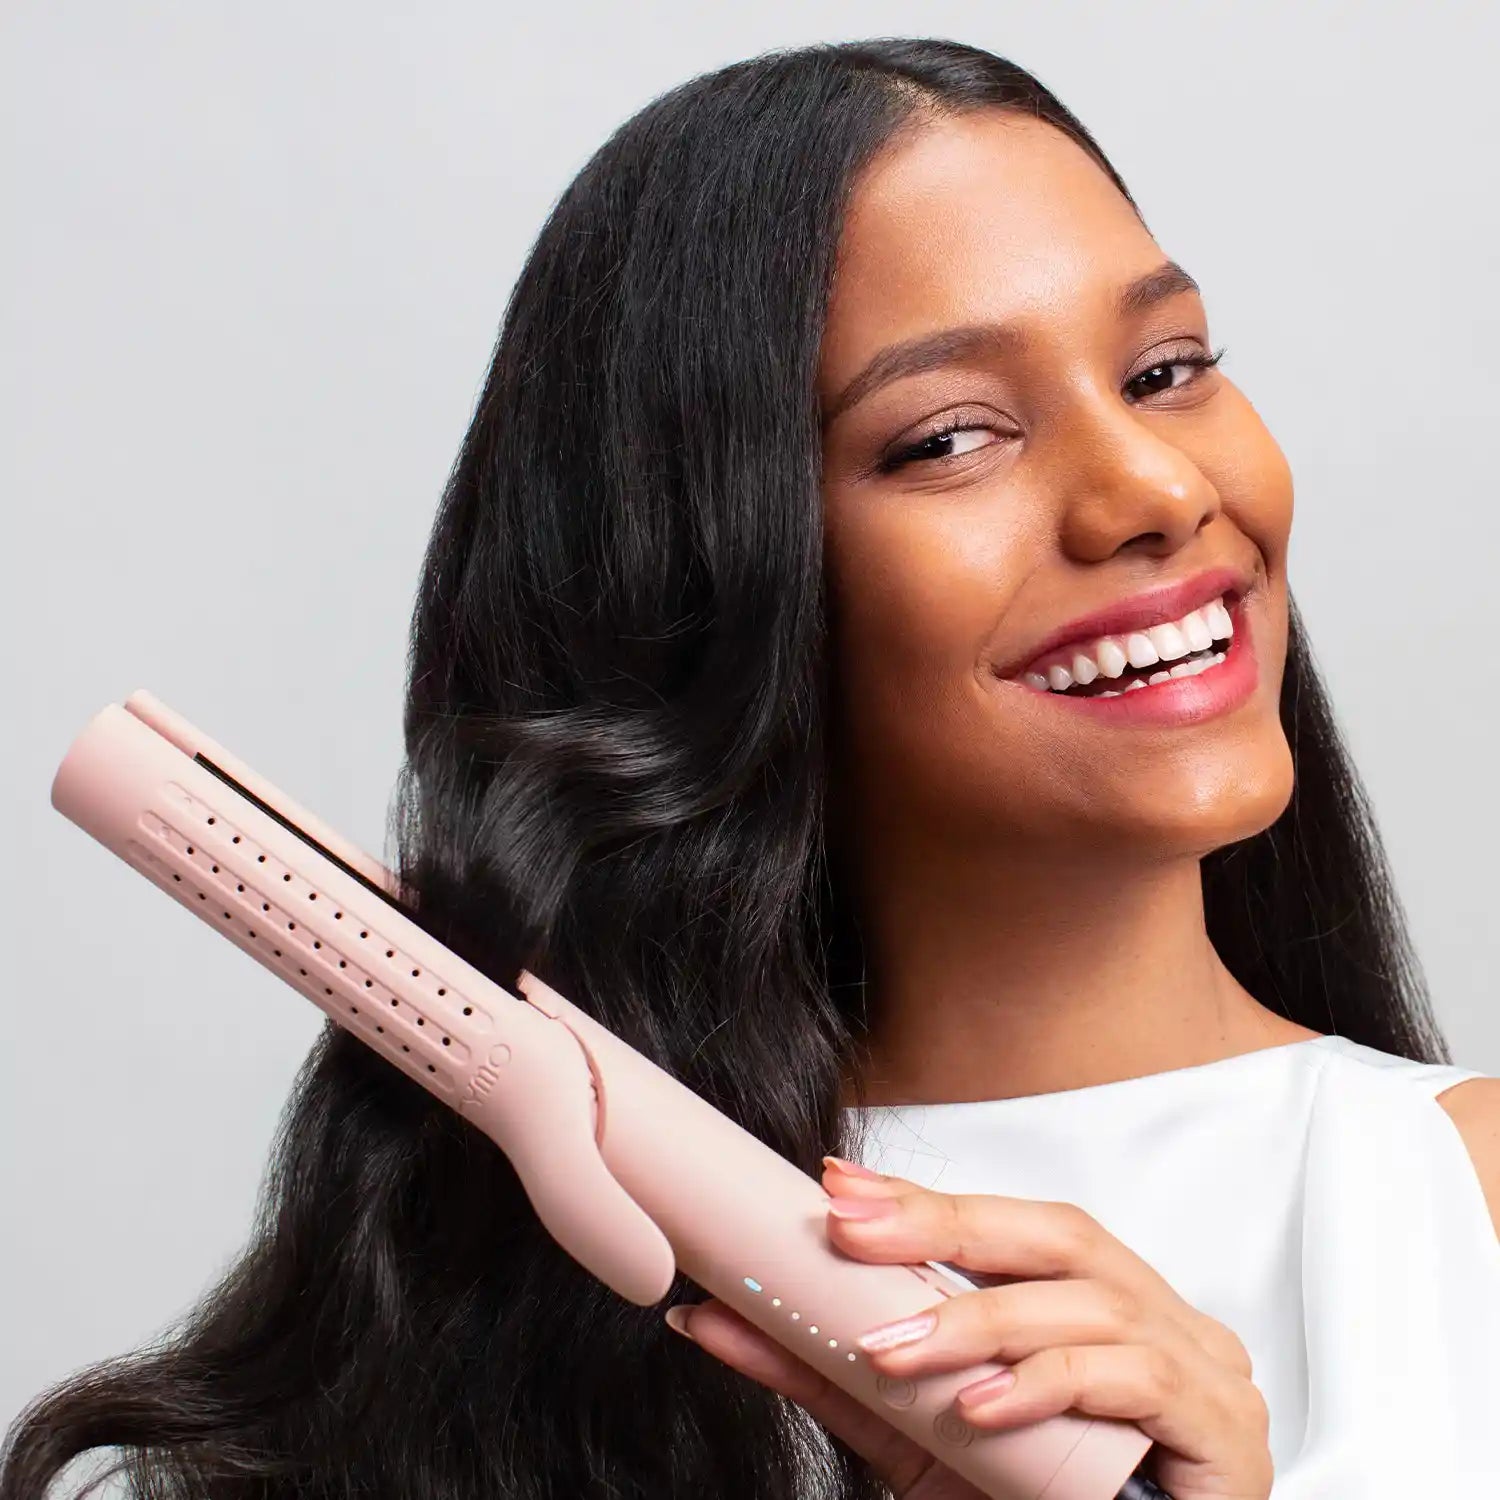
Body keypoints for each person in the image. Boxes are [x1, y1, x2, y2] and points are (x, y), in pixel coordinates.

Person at [3, 35, 1496, 1500]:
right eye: (950, 438)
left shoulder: (1462, 1212)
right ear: (712, 585)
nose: (1157, 491)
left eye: (1167, 369)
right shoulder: (520, 1329)